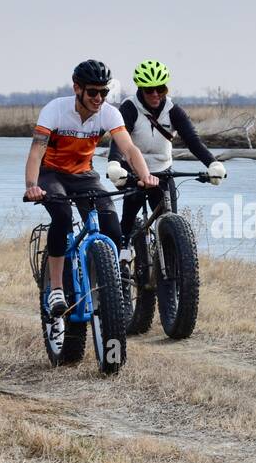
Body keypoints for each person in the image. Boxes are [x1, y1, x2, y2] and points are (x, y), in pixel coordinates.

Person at [23, 60, 158, 317]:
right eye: (93, 92)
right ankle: (57, 290)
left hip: (84, 175)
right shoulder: (55, 110)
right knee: (62, 217)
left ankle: (104, 284)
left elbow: (129, 149)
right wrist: (31, 186)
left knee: (112, 227)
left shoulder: (109, 113)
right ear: (77, 89)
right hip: (51, 174)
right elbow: (36, 151)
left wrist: (145, 176)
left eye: (104, 92)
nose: (99, 98)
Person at [106, 60, 226, 249]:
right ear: (141, 89)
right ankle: (122, 257)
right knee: (128, 220)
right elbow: (120, 141)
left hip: (163, 172)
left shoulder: (173, 110)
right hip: (133, 173)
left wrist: (212, 164)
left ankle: (170, 268)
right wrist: (114, 164)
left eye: (160, 89)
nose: (155, 94)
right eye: (149, 90)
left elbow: (192, 141)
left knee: (170, 224)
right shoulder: (129, 108)